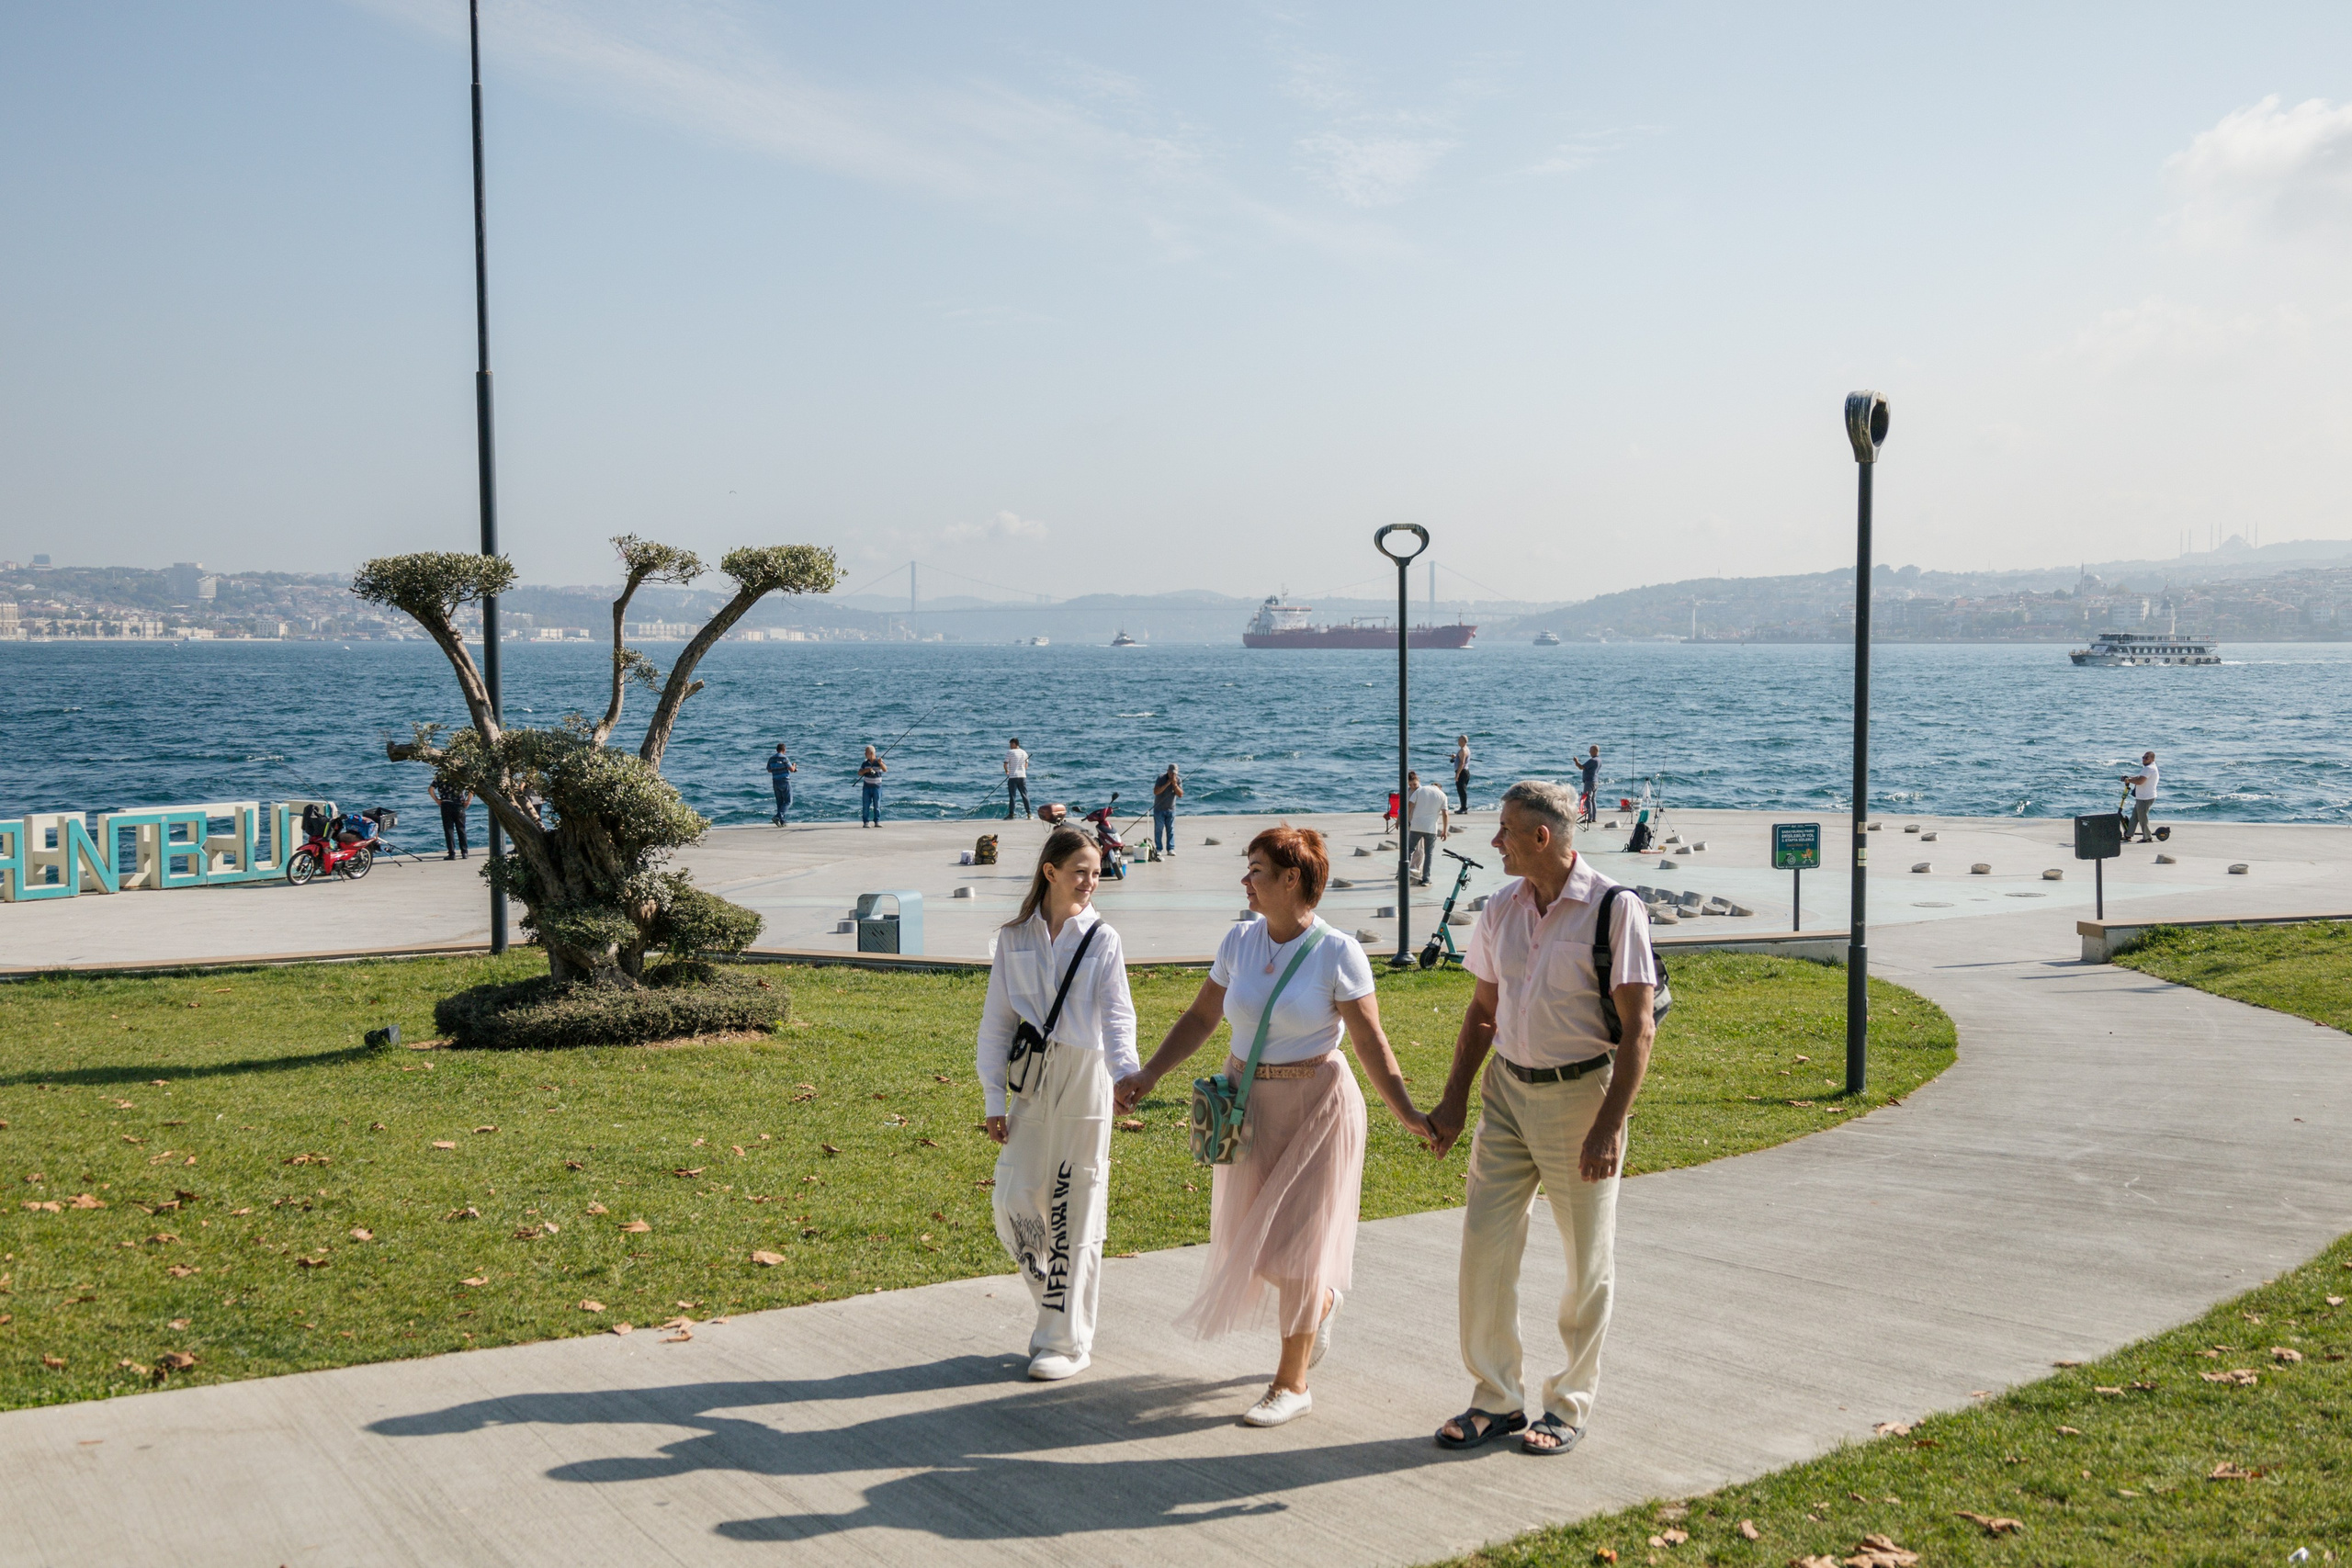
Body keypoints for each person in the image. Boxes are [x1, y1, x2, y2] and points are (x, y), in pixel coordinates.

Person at [1116, 826, 1430, 1427]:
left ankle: (1291, 1383)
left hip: (1318, 1106)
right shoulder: (1239, 941)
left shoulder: (1339, 952)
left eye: (1256, 869)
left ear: (1292, 879)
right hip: (1247, 1103)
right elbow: (1204, 1014)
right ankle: (1324, 1304)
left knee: (1301, 1255)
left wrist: (1408, 1114)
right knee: (1257, 1250)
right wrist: (1151, 1072)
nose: (1245, 881)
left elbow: (1370, 1042)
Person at [1425, 779, 1657, 1458]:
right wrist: (1456, 1096)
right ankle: (1496, 1398)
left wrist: (1610, 1124)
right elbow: (1482, 1011)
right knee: (1484, 1246)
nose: (1493, 840)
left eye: (1503, 830)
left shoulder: (1616, 909)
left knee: (1588, 1261)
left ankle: (1568, 1402)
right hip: (1505, 1094)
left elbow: (1639, 1029)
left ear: (1541, 837)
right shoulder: (1502, 906)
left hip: (1580, 1097)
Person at [978, 828, 1137, 1381]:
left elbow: (1118, 1018)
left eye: (1097, 872)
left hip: (1086, 1075)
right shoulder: (1014, 938)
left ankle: (1066, 1341)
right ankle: (1057, 1300)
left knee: (1076, 1204)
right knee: (1013, 1199)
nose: (1092, 881)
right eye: (1081, 871)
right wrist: (992, 1097)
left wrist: (1127, 1077)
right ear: (1050, 872)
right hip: (1031, 1079)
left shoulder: (1103, 939)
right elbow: (996, 1024)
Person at [1407, 770, 1451, 886]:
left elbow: (1409, 806)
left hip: (1416, 825)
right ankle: (1426, 879)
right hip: (1431, 829)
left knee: (1409, 850)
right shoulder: (1443, 795)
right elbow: (1445, 814)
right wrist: (1445, 830)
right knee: (1429, 854)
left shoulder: (1420, 790)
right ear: (1439, 788)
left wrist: (1407, 820)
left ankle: (1402, 873)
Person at [426, 775, 471, 861]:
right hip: (459, 805)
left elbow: (430, 789)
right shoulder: (460, 775)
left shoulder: (440, 776)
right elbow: (471, 789)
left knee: (449, 830)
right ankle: (464, 852)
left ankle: (452, 853)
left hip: (446, 805)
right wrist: (468, 801)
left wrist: (437, 800)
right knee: (461, 829)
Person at [2124, 750, 2159, 842]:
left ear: (2152, 759)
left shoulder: (2149, 768)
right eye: (2143, 757)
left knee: (2142, 818)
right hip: (2142, 797)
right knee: (2134, 817)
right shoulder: (2148, 768)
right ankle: (2128, 835)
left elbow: (2140, 781)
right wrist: (2129, 778)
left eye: (2146, 758)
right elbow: (2139, 777)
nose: (2144, 759)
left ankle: (2147, 837)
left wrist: (2129, 781)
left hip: (2145, 798)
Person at [1152, 763, 1183, 856]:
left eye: (1175, 774)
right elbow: (1156, 791)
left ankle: (1171, 848)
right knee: (1159, 829)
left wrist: (1175, 785)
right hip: (1159, 809)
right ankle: (1158, 849)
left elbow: (1180, 794)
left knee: (1171, 830)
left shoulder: (1178, 780)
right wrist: (1167, 783)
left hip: (1171, 809)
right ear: (1167, 771)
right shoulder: (1161, 778)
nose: (1173, 775)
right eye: (1171, 773)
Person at [766, 743, 797, 827]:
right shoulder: (784, 758)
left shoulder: (771, 758)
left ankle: (782, 821)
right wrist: (794, 765)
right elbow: (791, 769)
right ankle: (778, 816)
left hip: (775, 781)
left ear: (777, 750)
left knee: (780, 802)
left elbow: (769, 770)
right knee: (788, 801)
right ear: (784, 750)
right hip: (785, 781)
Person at [858, 746, 887, 827]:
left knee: (877, 804)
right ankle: (866, 822)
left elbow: (885, 769)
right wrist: (866, 770)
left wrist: (881, 763)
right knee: (866, 805)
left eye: (866, 752)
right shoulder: (865, 763)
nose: (864, 754)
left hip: (877, 787)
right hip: (867, 787)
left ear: (871, 753)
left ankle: (877, 821)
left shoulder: (879, 761)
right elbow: (859, 773)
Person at [1005, 738, 1032, 820]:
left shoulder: (1010, 752)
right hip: (1022, 776)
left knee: (1012, 796)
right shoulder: (1024, 752)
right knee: (1025, 795)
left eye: (1010, 744)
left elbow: (1005, 764)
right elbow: (1026, 766)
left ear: (1014, 744)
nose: (1010, 746)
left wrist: (1007, 771)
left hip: (1013, 777)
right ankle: (1029, 813)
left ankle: (1011, 814)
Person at [1577, 746, 1602, 825]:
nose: (1589, 752)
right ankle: (1594, 817)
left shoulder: (1593, 760)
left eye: (1591, 750)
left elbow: (1581, 767)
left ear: (1595, 751)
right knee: (1593, 800)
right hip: (1595, 781)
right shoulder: (1599, 760)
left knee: (1587, 799)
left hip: (1589, 782)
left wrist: (1576, 761)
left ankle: (1589, 818)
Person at [1452, 735, 1473, 815]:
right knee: (1462, 790)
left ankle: (1463, 808)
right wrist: (1455, 757)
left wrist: (1457, 774)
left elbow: (1462, 763)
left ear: (1464, 741)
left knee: (1462, 791)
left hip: (1462, 772)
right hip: (1465, 771)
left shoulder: (1463, 750)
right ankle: (1463, 807)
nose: (1458, 742)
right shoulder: (1465, 749)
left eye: (1459, 741)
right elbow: (1460, 759)